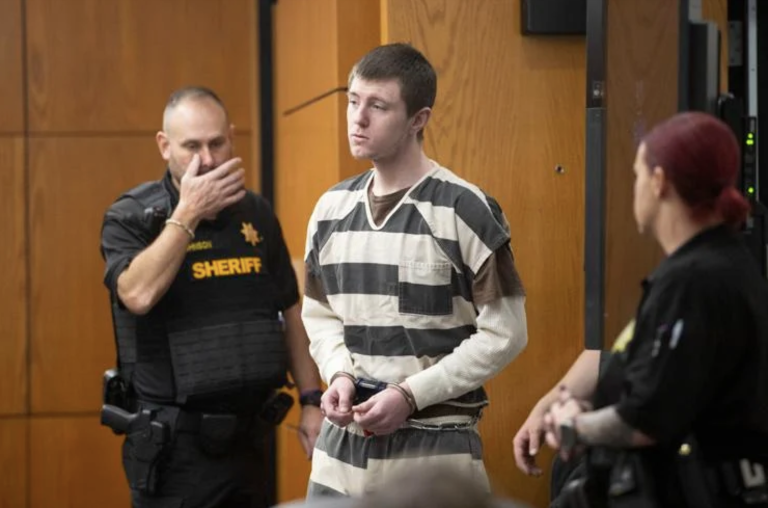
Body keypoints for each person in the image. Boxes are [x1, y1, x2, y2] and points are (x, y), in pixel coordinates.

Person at [300, 43, 529, 497]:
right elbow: (320, 316)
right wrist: (339, 374)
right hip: (338, 455)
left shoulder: (465, 210)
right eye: (353, 100)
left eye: (378, 106)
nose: (358, 118)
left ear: (417, 119)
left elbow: (506, 333)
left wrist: (410, 395)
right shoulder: (330, 209)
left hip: (435, 453)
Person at [517, 112, 768, 507]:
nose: (633, 188)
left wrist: (573, 427)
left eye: (637, 175)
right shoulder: (722, 265)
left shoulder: (693, 280)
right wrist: (584, 408)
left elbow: (646, 420)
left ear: (658, 181)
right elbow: (669, 390)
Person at [99, 86, 324, 508]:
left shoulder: (255, 212)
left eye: (217, 143)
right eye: (191, 146)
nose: (207, 158)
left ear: (232, 138)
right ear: (164, 146)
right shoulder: (131, 217)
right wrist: (188, 213)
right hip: (175, 448)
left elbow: (289, 308)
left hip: (252, 440)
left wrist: (312, 400)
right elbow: (138, 295)